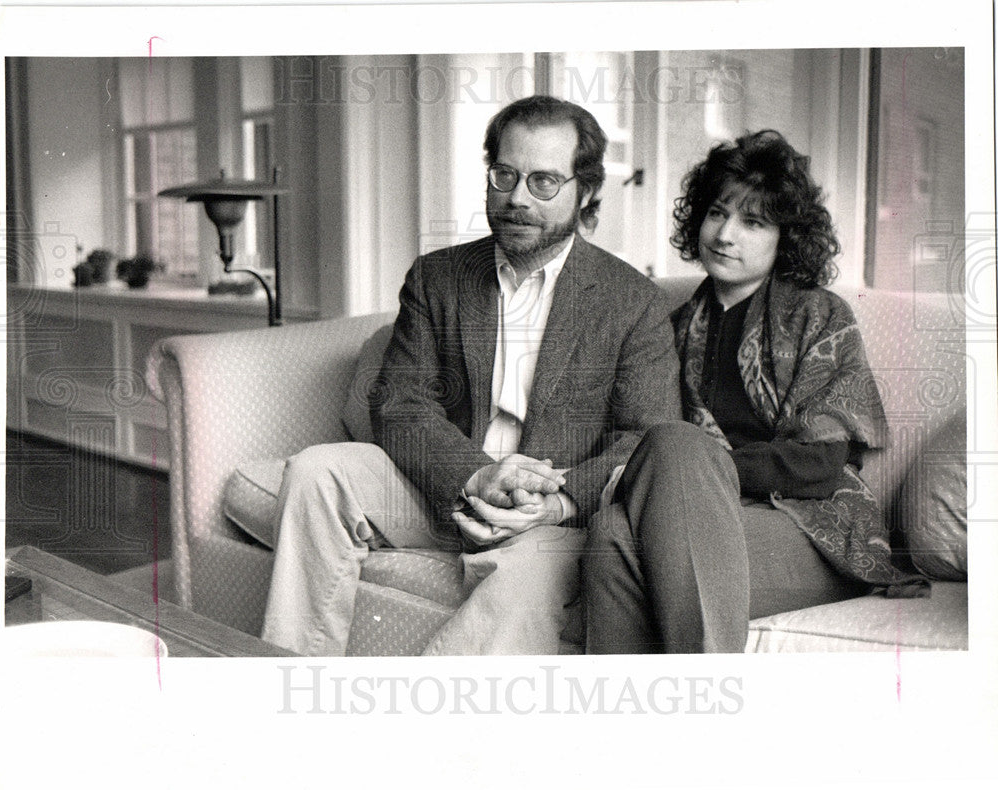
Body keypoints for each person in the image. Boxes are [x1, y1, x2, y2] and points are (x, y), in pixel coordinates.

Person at [261, 95, 679, 656]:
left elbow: (645, 438)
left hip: (551, 518)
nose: (517, 199)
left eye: (544, 182)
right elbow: (401, 403)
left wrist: (558, 504)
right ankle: (285, 683)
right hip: (446, 488)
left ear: (585, 194)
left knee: (527, 579)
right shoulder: (439, 277)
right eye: (504, 175)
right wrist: (475, 476)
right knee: (318, 472)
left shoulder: (632, 301)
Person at [583, 129, 925, 654]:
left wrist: (706, 468)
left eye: (753, 221)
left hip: (812, 530)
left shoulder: (820, 314)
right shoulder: (667, 327)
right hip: (692, 519)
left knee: (676, 446)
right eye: (717, 213)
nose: (725, 233)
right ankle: (632, 723)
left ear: (784, 237)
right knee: (609, 533)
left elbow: (820, 461)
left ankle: (707, 696)